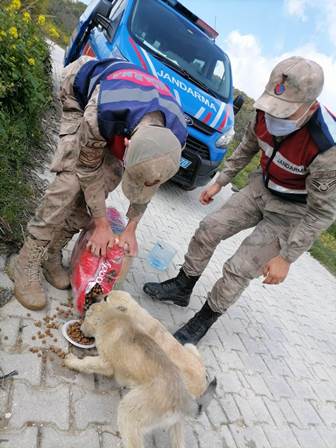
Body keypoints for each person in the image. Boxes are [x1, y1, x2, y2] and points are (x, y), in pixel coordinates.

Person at [143, 56, 336, 345]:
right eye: (273, 107)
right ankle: (182, 287)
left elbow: (322, 213)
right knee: (208, 228)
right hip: (260, 188)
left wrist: (286, 258)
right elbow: (246, 148)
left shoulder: (327, 149)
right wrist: (220, 182)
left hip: (291, 212)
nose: (275, 118)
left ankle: (204, 319)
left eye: (285, 113)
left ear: (310, 107)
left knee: (241, 266)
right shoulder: (263, 112)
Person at [10, 55, 187, 310]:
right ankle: (25, 260)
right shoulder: (102, 113)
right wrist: (102, 224)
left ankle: (52, 254)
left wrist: (131, 227)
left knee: (102, 186)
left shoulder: (174, 140)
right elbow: (86, 168)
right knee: (71, 184)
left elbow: (152, 179)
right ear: (126, 145)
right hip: (82, 93)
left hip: (127, 120)